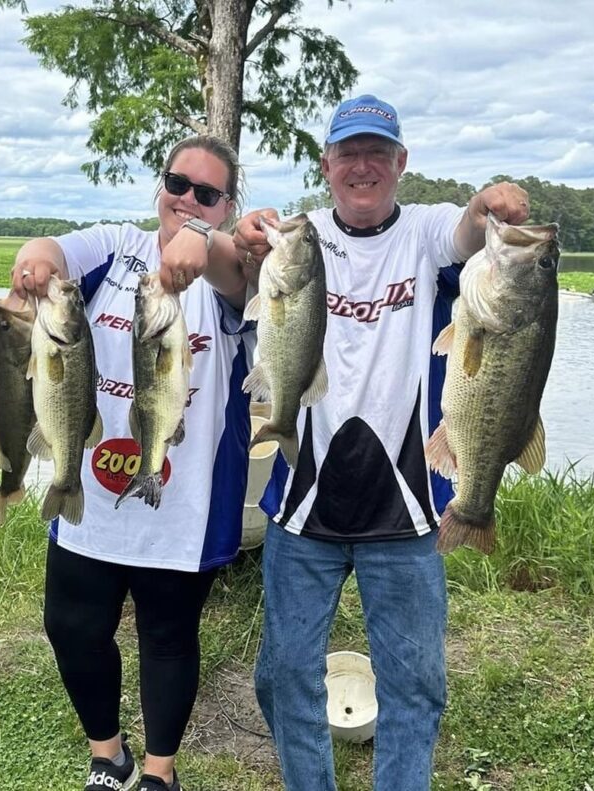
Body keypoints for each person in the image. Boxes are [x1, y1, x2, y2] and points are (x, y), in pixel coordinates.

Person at [233, 94, 531, 791]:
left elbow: (467, 231)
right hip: (303, 509)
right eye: (348, 152)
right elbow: (241, 260)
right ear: (326, 164)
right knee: (281, 677)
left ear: (400, 163)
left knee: (417, 686)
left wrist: (489, 202)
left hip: (408, 512)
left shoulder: (425, 232)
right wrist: (240, 239)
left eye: (377, 153)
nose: (362, 166)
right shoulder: (300, 240)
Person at [10, 135, 255, 791]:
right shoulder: (117, 247)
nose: (189, 200)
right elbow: (54, 254)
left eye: (208, 193)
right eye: (179, 183)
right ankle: (108, 754)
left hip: (185, 500)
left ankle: (158, 773)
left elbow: (240, 272)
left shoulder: (232, 277)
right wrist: (32, 263)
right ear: (160, 185)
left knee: (167, 636)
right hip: (89, 485)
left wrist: (204, 241)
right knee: (69, 625)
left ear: (229, 203)